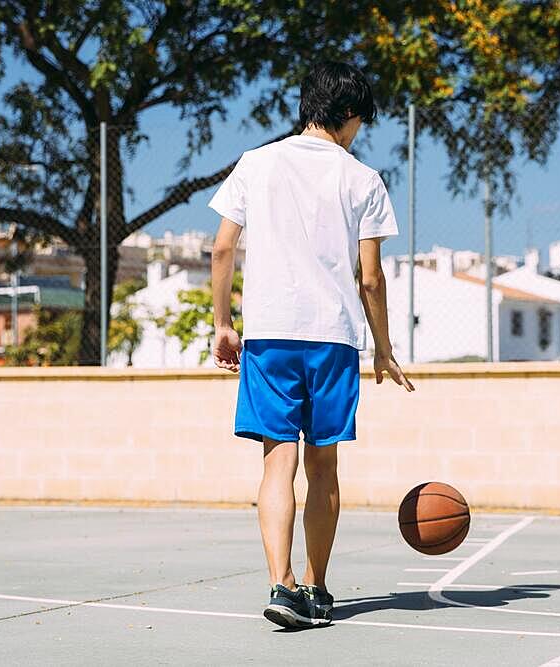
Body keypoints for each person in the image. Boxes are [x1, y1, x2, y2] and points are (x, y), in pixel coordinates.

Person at [208, 61, 415, 628]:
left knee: (278, 464)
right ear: (349, 115)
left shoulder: (256, 162)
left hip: (270, 334)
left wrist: (224, 324)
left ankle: (281, 584)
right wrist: (384, 347)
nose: (357, 134)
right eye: (359, 123)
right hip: (332, 338)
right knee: (323, 467)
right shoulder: (363, 178)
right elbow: (370, 278)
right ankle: (319, 589)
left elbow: (222, 248)